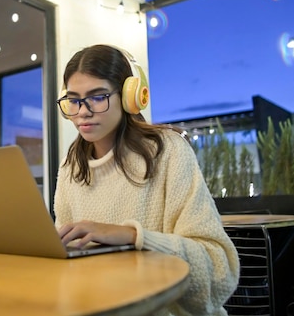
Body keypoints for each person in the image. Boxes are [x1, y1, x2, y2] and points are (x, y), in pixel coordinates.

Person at [54, 44, 239, 316]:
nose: (82, 111)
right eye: (74, 99)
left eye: (98, 97)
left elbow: (218, 272)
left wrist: (132, 237)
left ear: (131, 97)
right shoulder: (72, 166)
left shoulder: (168, 150)